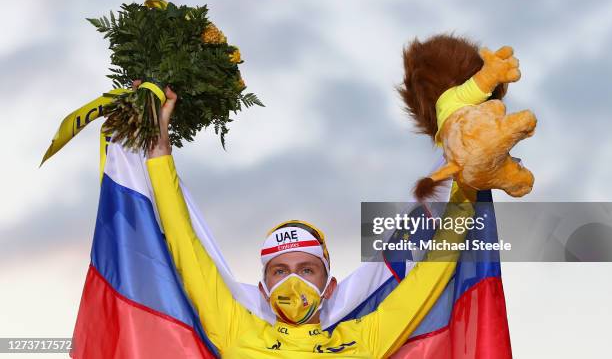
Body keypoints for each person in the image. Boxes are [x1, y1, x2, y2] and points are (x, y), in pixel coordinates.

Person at [143, 83, 476, 358]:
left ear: (329, 287)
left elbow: (430, 273)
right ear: (263, 289)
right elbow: (185, 248)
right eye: (280, 271)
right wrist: (159, 154)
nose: (293, 283)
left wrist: (469, 182)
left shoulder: (363, 341)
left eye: (306, 270)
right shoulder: (236, 332)